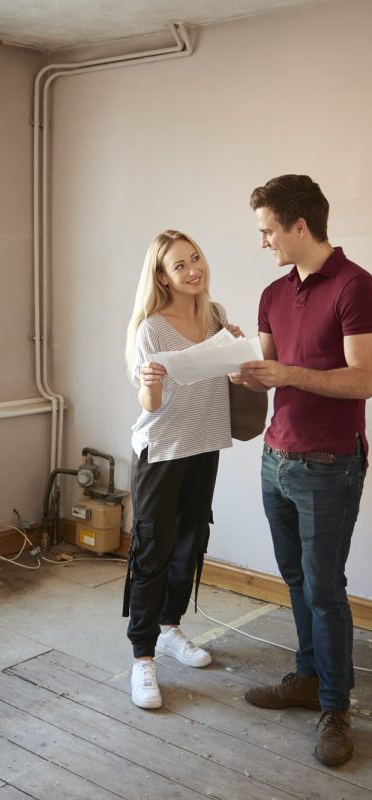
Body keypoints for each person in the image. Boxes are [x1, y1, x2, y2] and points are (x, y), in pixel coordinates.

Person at [234, 174, 372, 767]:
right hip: (276, 457)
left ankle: (337, 707)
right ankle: (308, 677)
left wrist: (287, 373)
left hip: (329, 464)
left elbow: (364, 378)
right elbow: (269, 370)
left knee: (325, 589)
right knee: (295, 578)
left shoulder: (356, 286)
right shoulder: (271, 294)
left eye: (267, 230)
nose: (263, 241)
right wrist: (243, 370)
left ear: (298, 225)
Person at [123, 229, 242, 709]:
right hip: (162, 450)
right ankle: (142, 656)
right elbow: (149, 401)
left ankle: (170, 629)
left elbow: (231, 379)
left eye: (195, 259)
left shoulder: (216, 317)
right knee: (153, 548)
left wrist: (238, 360)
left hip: (205, 444)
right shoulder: (150, 328)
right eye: (180, 265)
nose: (194, 269)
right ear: (162, 276)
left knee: (191, 541)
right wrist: (151, 381)